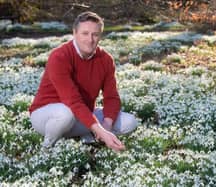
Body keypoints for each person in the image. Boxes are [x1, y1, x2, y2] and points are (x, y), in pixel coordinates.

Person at [29, 11, 137, 152]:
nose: (90, 39)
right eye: (85, 34)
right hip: (47, 115)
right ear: (75, 33)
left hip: (81, 114)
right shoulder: (60, 56)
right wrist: (101, 131)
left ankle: (86, 136)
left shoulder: (105, 59)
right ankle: (47, 148)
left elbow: (112, 97)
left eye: (95, 34)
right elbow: (72, 101)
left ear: (100, 36)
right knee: (65, 114)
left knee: (130, 122)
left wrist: (107, 125)